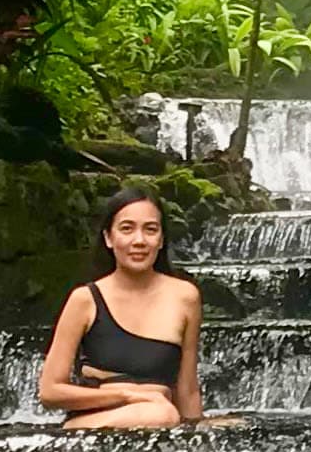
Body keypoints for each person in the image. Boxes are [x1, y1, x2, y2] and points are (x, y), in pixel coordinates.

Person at [37, 184, 204, 430]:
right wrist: (128, 397)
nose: (139, 240)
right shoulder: (85, 300)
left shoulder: (185, 297)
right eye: (127, 229)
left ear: (161, 240)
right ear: (108, 238)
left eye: (150, 230)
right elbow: (50, 392)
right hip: (93, 428)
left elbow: (187, 390)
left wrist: (197, 434)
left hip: (159, 431)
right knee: (161, 413)